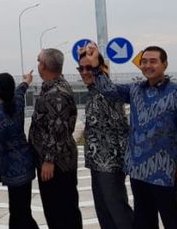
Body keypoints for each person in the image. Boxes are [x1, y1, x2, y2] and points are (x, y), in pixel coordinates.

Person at [83, 43, 177, 229]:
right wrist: (95, 66)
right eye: (144, 62)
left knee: (171, 218)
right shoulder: (135, 90)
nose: (147, 65)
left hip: (164, 170)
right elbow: (108, 90)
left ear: (164, 64)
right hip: (138, 169)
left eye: (153, 61)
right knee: (143, 220)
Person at [77, 52, 133, 229]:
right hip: (96, 162)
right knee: (104, 212)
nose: (84, 72)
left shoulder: (107, 92)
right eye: (81, 68)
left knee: (118, 210)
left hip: (111, 162)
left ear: (99, 69)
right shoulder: (92, 94)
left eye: (89, 68)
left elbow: (122, 127)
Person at [29, 48, 82, 229]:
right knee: (58, 212)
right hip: (55, 162)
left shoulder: (56, 92)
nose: (37, 65)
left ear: (44, 65)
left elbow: (58, 128)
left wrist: (49, 160)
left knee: (61, 213)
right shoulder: (54, 87)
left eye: (39, 61)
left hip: (57, 165)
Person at [0, 71, 38, 229]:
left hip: (11, 169)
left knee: (18, 214)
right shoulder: (18, 102)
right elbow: (22, 89)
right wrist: (27, 80)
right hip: (26, 163)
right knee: (23, 211)